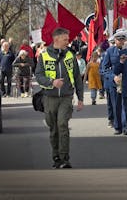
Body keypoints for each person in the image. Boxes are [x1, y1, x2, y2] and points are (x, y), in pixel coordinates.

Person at [35, 27, 84, 169]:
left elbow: (77, 78)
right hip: (49, 98)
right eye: (65, 39)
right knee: (53, 128)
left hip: (66, 97)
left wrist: (80, 98)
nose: (68, 42)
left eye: (68, 39)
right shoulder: (43, 56)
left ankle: (65, 158)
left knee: (62, 125)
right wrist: (52, 82)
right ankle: (56, 156)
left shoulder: (70, 55)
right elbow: (38, 76)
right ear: (56, 39)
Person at [100, 29, 127, 134]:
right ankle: (118, 126)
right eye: (119, 39)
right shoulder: (110, 51)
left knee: (126, 105)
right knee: (116, 105)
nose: (121, 41)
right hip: (114, 83)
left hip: (126, 81)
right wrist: (113, 76)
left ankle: (126, 126)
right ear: (115, 40)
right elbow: (104, 68)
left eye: (122, 39)